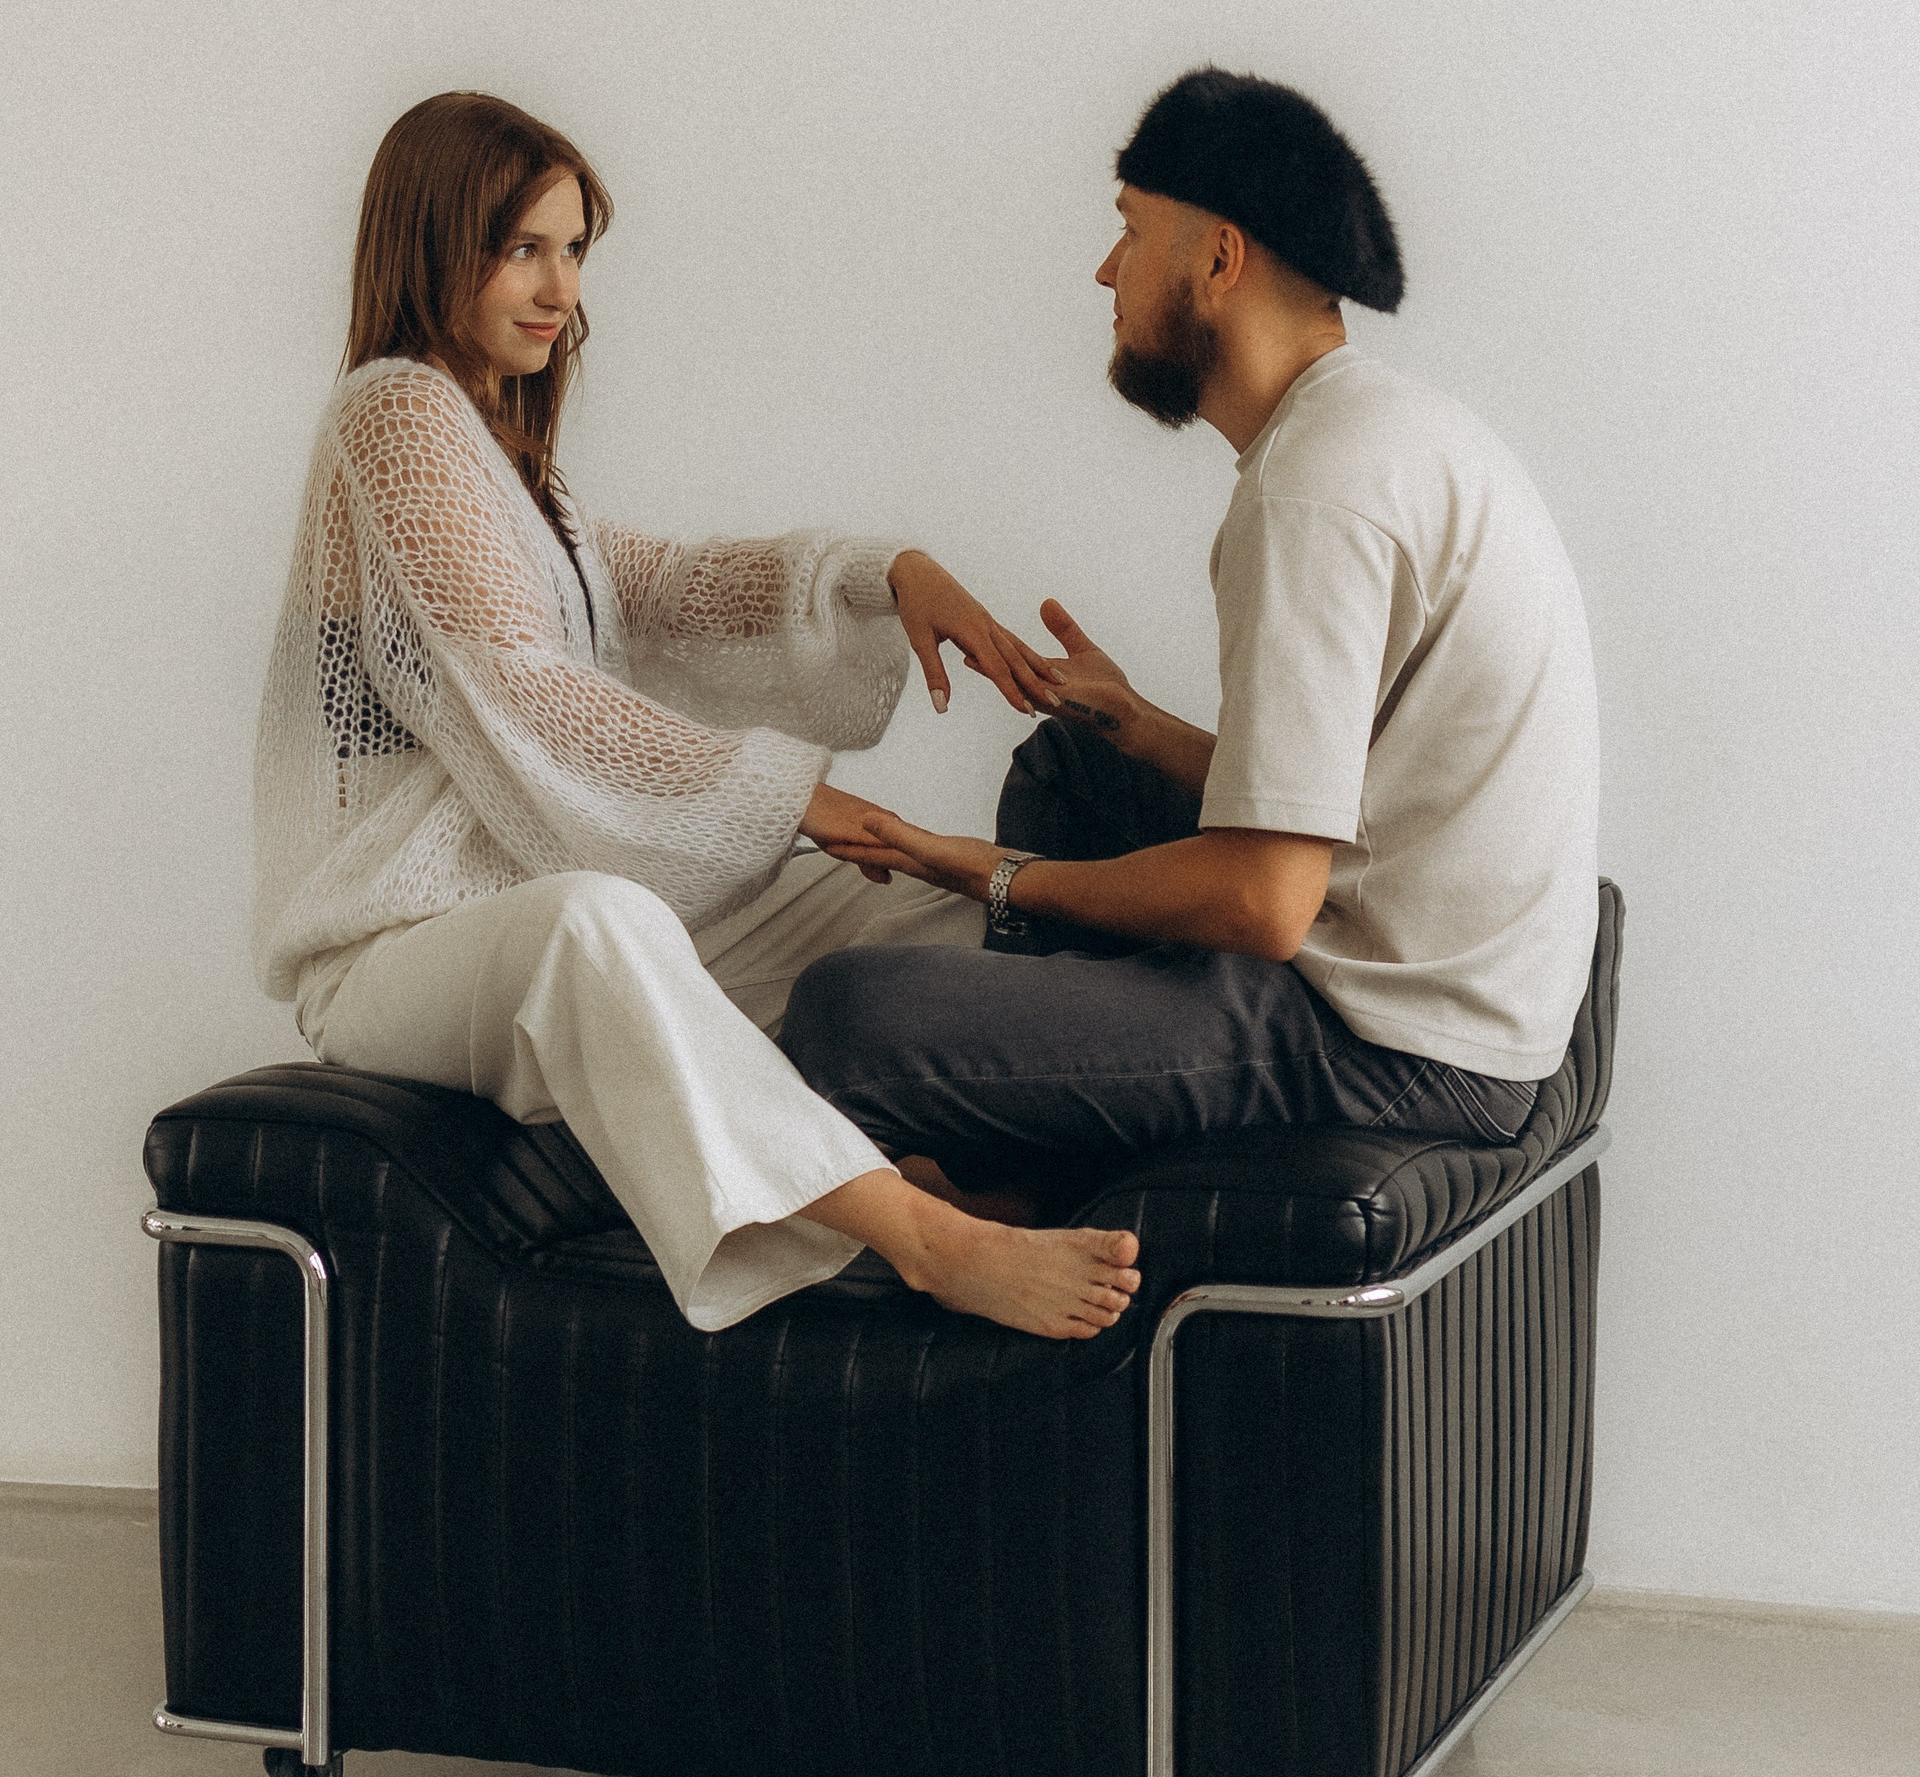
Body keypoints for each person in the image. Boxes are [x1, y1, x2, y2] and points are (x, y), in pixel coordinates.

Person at [254, 91, 1140, 1337]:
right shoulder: (393, 419)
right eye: (522, 249)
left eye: (574, 249)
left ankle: (977, 1163)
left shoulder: (512, 464)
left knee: (934, 902)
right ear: (430, 243)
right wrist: (793, 798)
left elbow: (663, 587)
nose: (560, 289)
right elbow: (529, 689)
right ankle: (926, 1237)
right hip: (394, 955)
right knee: (595, 921)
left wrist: (886, 571)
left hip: (519, 907)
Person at [787, 68, 1601, 1215]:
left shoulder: (1315, 494)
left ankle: (1030, 1185)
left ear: (1218, 260)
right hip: (1430, 979)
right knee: (1076, 764)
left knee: (847, 1016)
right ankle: (1037, 1178)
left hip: (1398, 1046)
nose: (1105, 271)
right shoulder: (1380, 433)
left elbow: (1264, 903)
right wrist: (1139, 727)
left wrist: (994, 875)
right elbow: (1343, 807)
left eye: (1130, 232)